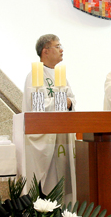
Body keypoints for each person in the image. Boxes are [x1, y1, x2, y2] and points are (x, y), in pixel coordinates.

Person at [22, 34, 76, 204]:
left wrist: (69, 103)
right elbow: (37, 104)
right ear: (45, 51)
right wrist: (64, 101)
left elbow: (71, 99)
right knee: (46, 181)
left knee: (62, 177)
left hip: (61, 134)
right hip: (44, 138)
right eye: (58, 46)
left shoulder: (60, 74)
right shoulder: (36, 73)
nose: (62, 50)